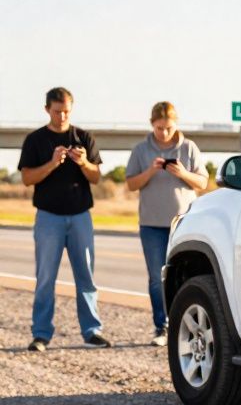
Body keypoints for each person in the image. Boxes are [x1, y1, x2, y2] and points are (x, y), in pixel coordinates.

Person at [18, 87, 109, 351]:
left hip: (81, 216)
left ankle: (92, 331)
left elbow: (96, 177)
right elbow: (26, 179)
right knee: (46, 278)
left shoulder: (84, 137)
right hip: (48, 218)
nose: (62, 116)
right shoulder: (35, 140)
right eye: (57, 111)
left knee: (86, 277)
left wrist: (84, 163)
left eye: (67, 111)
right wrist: (51, 163)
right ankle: (41, 334)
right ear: (47, 109)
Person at [125, 102, 208, 346]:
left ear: (176, 123)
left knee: (186, 276)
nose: (164, 132)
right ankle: (161, 327)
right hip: (151, 225)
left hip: (183, 224)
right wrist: (151, 171)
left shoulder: (189, 147)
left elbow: (202, 183)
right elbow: (131, 184)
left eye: (168, 127)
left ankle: (185, 326)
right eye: (159, 128)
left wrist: (182, 173)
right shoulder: (141, 150)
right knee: (155, 278)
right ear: (152, 124)